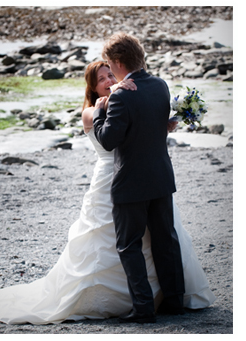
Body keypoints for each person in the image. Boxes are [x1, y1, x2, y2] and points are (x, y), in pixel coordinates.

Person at [0, 60, 215, 325]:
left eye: (110, 75)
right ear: (92, 86)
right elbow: (109, 133)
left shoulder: (122, 98)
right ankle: (131, 300)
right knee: (115, 243)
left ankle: (162, 296)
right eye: (101, 78)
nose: (108, 80)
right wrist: (119, 89)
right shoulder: (92, 110)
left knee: (160, 238)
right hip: (109, 182)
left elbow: (135, 131)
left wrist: (162, 124)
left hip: (139, 178)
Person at [93, 32, 187, 324]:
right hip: (160, 176)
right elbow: (158, 124)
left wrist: (99, 114)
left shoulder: (121, 95)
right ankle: (174, 301)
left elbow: (108, 141)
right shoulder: (160, 85)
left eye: (110, 63)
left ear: (118, 62)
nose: (110, 67)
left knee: (129, 245)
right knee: (166, 240)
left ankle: (144, 308)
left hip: (131, 182)